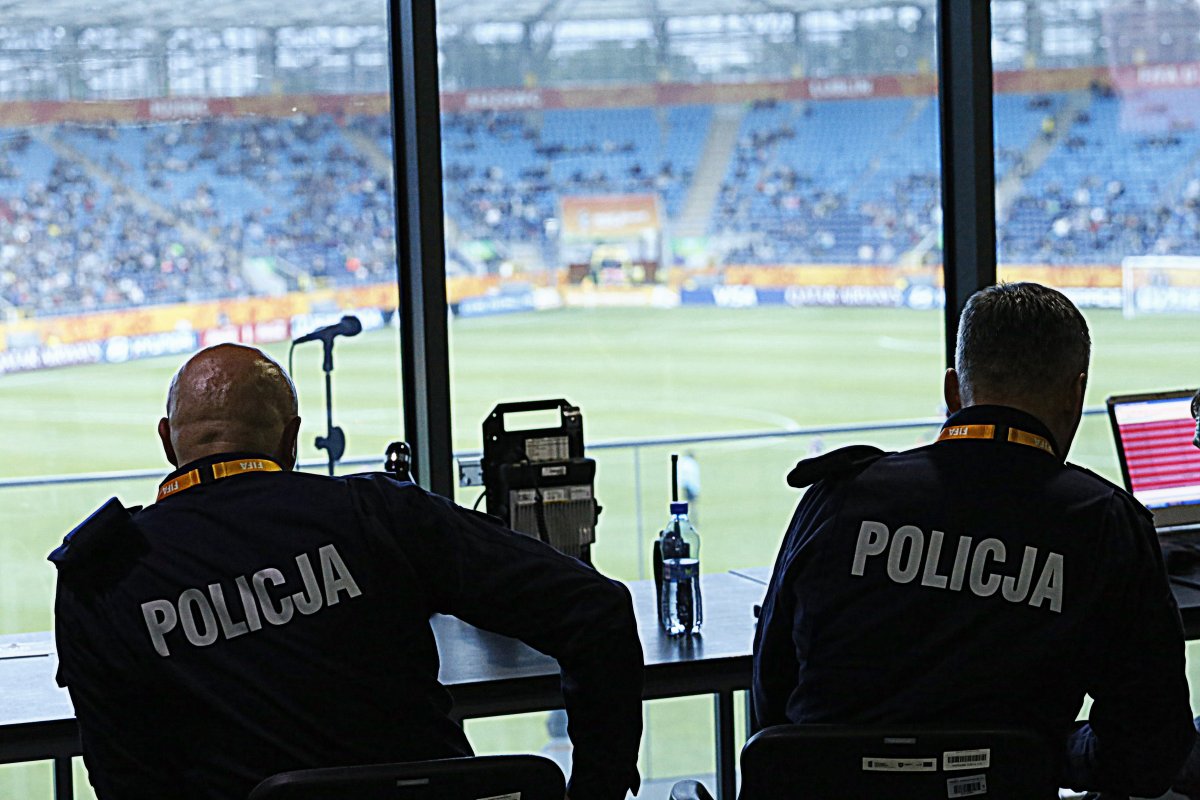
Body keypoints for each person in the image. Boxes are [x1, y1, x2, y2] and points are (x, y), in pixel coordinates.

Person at [50, 343, 643, 800]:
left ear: (166, 442)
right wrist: (598, 787)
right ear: (291, 438)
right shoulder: (377, 512)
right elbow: (596, 610)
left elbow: (124, 781)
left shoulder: (100, 578)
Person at [752, 282, 1194, 797]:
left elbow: (771, 700)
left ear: (952, 391)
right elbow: (1149, 751)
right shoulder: (1104, 523)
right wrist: (1046, 753)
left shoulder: (837, 497)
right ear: (1077, 393)